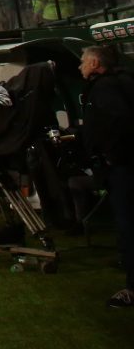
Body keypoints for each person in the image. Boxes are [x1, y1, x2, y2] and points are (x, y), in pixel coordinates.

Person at [79, 45, 134, 308]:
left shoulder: (105, 88)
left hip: (123, 168)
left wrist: (110, 156)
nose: (80, 66)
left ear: (94, 63)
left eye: (83, 61)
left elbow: (119, 122)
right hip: (123, 165)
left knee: (128, 225)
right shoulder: (124, 81)